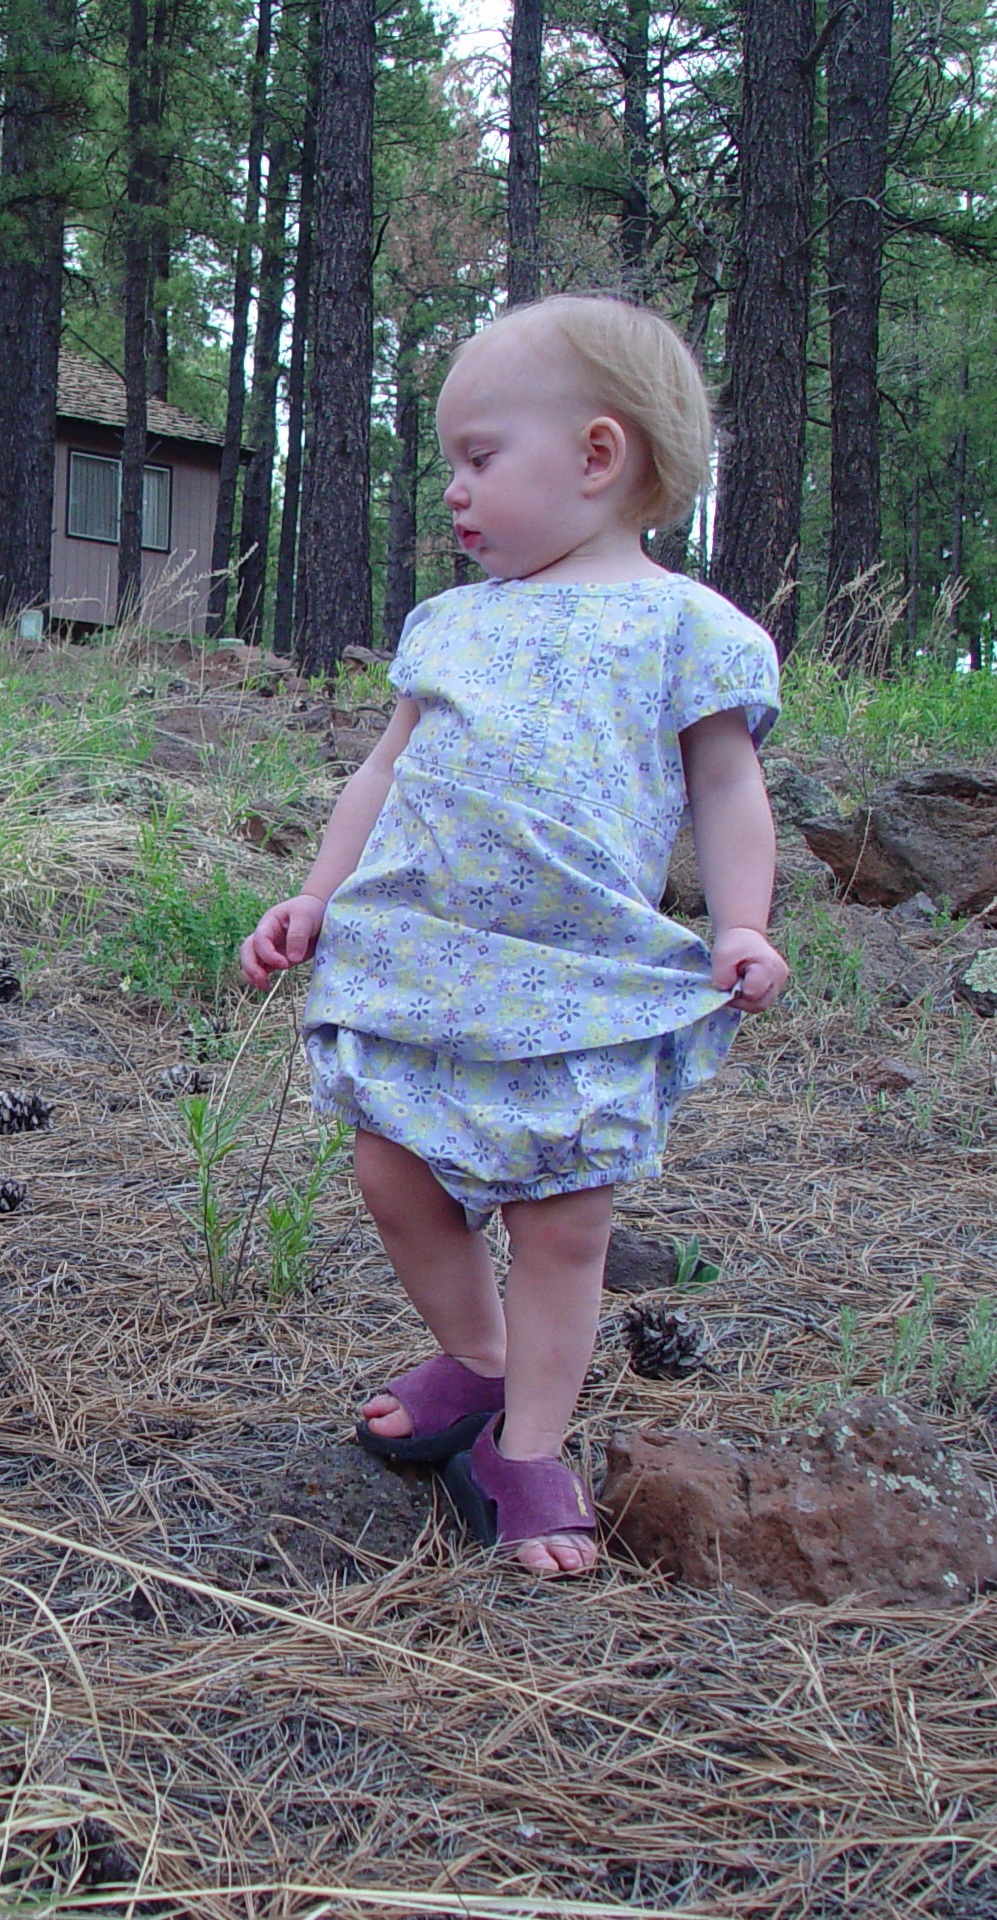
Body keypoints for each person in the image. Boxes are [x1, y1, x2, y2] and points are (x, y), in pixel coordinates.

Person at [238, 295, 787, 1578]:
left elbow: (725, 789)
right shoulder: (453, 624)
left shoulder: (687, 630)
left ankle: (526, 1446)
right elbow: (381, 776)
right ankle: (478, 1364)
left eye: (480, 459)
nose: (454, 493)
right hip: (421, 956)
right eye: (448, 466)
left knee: (563, 1225)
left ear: (596, 456)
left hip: (580, 981)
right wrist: (316, 893)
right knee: (392, 1178)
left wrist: (742, 924)